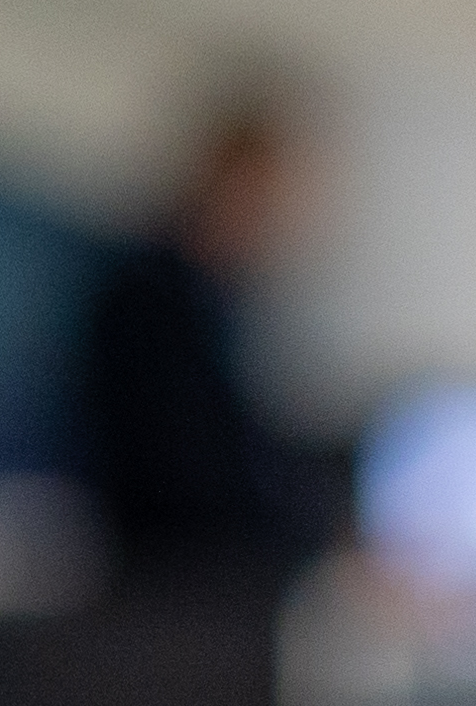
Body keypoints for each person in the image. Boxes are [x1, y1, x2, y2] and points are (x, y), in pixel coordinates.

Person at [64, 75, 339, 592]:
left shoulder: (212, 303)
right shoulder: (151, 299)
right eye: (265, 195)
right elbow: (182, 471)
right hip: (156, 579)